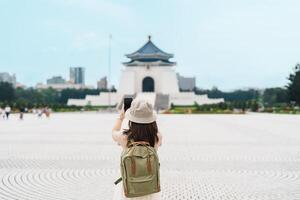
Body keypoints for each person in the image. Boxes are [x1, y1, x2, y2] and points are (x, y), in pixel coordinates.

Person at [112, 99, 162, 200]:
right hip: (150, 189)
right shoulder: (157, 137)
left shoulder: (124, 137)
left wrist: (121, 117)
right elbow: (155, 130)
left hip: (130, 189)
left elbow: (114, 132)